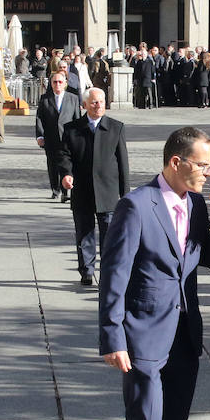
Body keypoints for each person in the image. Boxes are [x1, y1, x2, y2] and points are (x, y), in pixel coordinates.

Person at [99, 127, 210, 420]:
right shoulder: (137, 205)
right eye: (203, 165)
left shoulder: (196, 204)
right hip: (143, 335)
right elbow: (114, 276)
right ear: (177, 162)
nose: (208, 172)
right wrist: (113, 337)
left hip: (185, 333)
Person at [59, 88, 129, 285]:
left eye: (101, 102)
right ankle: (87, 271)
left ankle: (107, 271)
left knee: (109, 235)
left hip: (107, 191)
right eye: (94, 102)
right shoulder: (72, 128)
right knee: (84, 233)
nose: (99, 106)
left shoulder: (116, 128)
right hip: (82, 190)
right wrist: (66, 174)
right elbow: (64, 156)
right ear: (85, 105)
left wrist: (125, 194)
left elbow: (123, 163)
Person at [36, 71, 81, 203]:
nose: (57, 84)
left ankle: (65, 191)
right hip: (51, 138)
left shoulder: (73, 98)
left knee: (67, 164)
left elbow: (77, 118)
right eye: (55, 82)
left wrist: (79, 136)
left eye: (60, 82)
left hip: (68, 138)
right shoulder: (45, 98)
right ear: (51, 84)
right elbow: (39, 118)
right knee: (52, 164)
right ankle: (55, 189)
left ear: (65, 84)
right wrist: (40, 135)